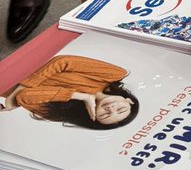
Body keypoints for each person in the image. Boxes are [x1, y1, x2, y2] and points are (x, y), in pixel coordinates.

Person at [0, 54, 138, 129]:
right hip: (25, 56)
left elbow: (25, 97)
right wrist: (13, 97)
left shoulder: (59, 113)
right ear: (129, 100)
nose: (111, 109)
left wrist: (80, 96)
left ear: (93, 116)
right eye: (121, 109)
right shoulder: (115, 74)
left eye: (105, 115)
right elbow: (63, 61)